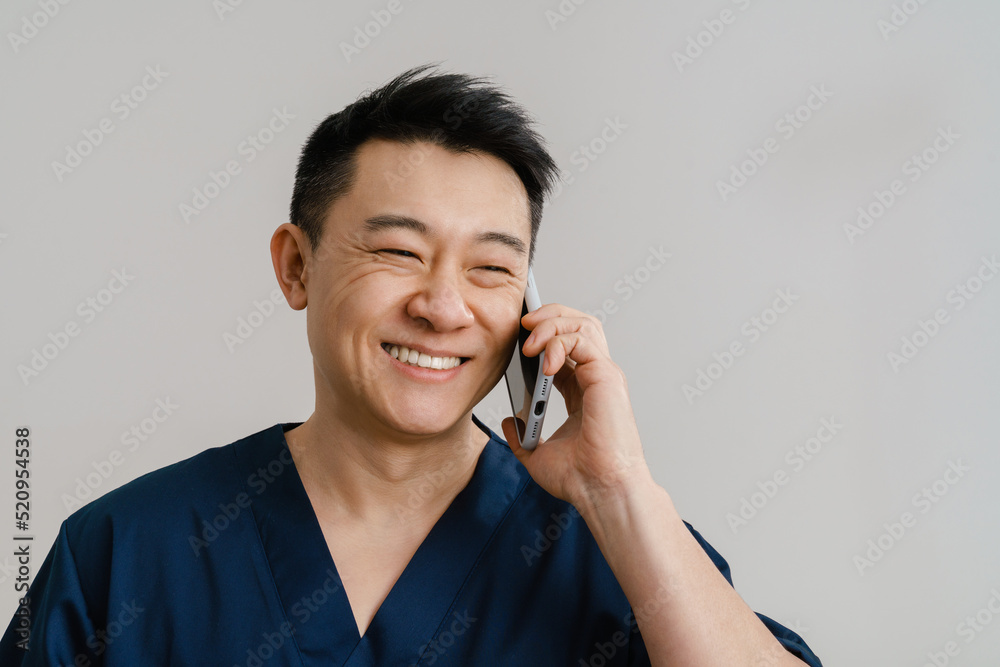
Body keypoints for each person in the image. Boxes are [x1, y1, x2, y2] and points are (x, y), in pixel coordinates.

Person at [0, 64, 822, 666]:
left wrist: (620, 490)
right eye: (397, 250)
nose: (444, 304)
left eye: (492, 268)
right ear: (295, 267)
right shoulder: (128, 553)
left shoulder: (612, 553)